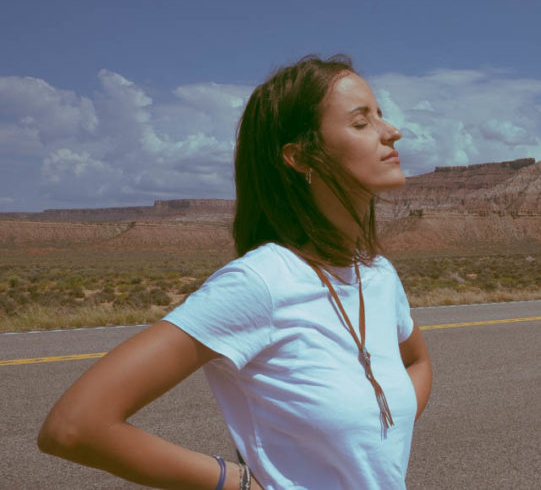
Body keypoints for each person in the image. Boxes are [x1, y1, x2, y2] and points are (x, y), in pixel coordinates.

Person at [38, 55, 433, 490]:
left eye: (380, 115)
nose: (392, 130)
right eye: (361, 122)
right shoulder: (261, 282)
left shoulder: (377, 275)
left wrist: (377, 427)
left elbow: (418, 361)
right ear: (301, 157)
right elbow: (74, 425)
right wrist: (239, 484)